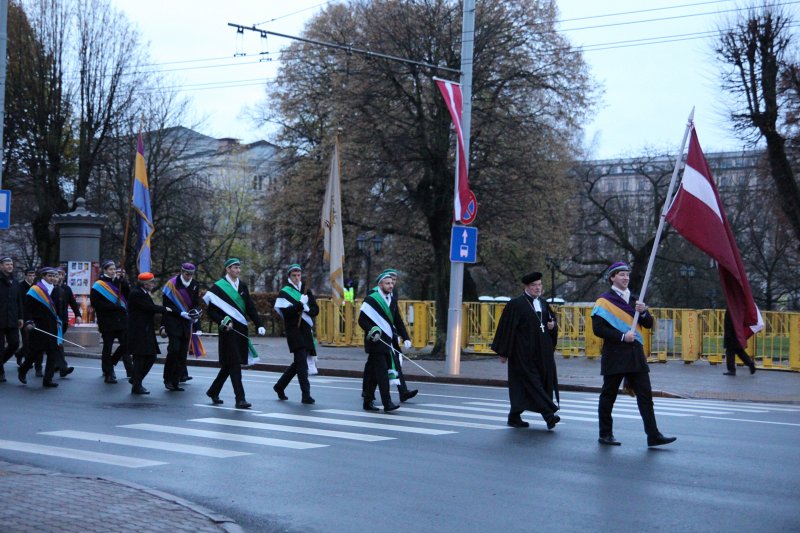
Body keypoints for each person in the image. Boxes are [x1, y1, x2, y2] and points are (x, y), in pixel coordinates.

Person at [591, 261, 676, 447]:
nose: (625, 278)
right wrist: (622, 336)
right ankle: (605, 434)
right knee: (609, 395)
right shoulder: (604, 301)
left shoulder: (635, 300)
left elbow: (648, 324)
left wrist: (644, 312)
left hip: (636, 355)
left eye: (627, 274)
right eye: (621, 274)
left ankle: (653, 435)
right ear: (612, 278)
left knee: (645, 395)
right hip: (615, 355)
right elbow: (598, 329)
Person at [490, 271, 561, 430]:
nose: (538, 288)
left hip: (542, 353)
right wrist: (504, 352)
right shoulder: (516, 304)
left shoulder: (543, 303)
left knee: (531, 385)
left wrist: (553, 326)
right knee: (533, 383)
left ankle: (514, 416)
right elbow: (506, 329)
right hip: (522, 353)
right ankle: (549, 416)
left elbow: (552, 322)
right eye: (534, 285)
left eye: (539, 285)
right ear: (526, 287)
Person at [202, 258, 265, 409]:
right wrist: (222, 322)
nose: (238, 270)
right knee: (235, 363)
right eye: (235, 267)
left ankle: (213, 391)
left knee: (229, 365)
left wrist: (259, 324)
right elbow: (211, 311)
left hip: (241, 329)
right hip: (227, 330)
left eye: (239, 267)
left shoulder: (242, 285)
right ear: (228, 269)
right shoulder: (218, 287)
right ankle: (240, 399)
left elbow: (250, 306)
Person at [357, 270, 410, 413]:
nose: (391, 285)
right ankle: (387, 403)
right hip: (375, 342)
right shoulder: (371, 299)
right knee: (381, 373)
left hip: (388, 342)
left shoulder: (392, 300)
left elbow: (397, 321)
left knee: (374, 374)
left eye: (392, 283)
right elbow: (362, 320)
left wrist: (406, 337)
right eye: (387, 283)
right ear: (380, 285)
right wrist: (372, 330)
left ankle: (367, 401)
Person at [273, 264, 319, 404]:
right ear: (289, 276)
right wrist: (299, 305)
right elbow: (286, 313)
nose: (297, 278)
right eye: (294, 275)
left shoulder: (305, 290)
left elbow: (315, 310)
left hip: (306, 331)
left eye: (299, 275)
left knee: (298, 363)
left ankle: (279, 386)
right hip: (294, 330)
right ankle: (306, 395)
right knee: (302, 365)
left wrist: (306, 308)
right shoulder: (284, 292)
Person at [18, 268, 64, 388]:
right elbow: (27, 308)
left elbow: (58, 308)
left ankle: (47, 380)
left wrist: (58, 320)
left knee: (52, 352)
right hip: (38, 325)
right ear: (43, 276)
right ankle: (23, 369)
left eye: (55, 276)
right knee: (35, 352)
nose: (53, 278)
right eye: (50, 276)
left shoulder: (57, 290)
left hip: (52, 325)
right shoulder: (35, 290)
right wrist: (28, 321)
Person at [128, 272, 172, 395]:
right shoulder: (137, 293)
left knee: (149, 357)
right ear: (144, 283)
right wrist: (164, 309)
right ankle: (136, 385)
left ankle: (136, 380)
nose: (153, 284)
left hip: (144, 330)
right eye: (151, 282)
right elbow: (148, 307)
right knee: (140, 358)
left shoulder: (142, 292)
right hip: (139, 331)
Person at [160, 263, 202, 391]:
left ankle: (176, 380)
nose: (189, 276)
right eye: (186, 274)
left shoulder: (195, 284)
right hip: (173, 321)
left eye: (191, 274)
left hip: (187, 323)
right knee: (174, 350)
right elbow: (166, 305)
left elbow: (196, 303)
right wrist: (180, 312)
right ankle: (167, 379)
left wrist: (195, 316)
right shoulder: (171, 285)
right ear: (182, 272)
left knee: (183, 353)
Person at [90, 260, 132, 383]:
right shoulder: (98, 285)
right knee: (107, 347)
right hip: (107, 321)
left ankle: (115, 363)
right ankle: (108, 372)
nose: (113, 271)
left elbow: (128, 297)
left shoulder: (119, 282)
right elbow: (96, 303)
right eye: (111, 269)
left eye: (114, 269)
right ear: (105, 270)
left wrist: (124, 284)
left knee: (126, 345)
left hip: (121, 320)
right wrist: (114, 306)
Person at [51, 268, 78, 378]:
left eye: (61, 274)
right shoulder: (48, 289)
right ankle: (62, 367)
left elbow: (72, 302)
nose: (59, 277)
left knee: (57, 344)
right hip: (50, 321)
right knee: (56, 344)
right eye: (57, 275)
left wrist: (78, 314)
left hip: (62, 321)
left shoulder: (66, 289)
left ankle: (57, 366)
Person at [0, 257, 23, 383]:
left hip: (12, 319)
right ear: (1, 266)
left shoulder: (15, 282)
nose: (10, 266)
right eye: (7, 264)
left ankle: (1, 362)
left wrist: (20, 317)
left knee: (14, 343)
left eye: (11, 264)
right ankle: (1, 373)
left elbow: (19, 301)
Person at [723, 307, 756, 376]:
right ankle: (750, 363)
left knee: (730, 351)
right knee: (739, 351)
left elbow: (728, 322)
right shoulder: (738, 307)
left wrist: (728, 334)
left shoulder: (731, 307)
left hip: (731, 332)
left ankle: (731, 369)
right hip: (737, 332)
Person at [14, 267, 36, 369]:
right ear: (26, 275)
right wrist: (20, 317)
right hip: (24, 317)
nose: (32, 277)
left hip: (34, 317)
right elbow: (19, 303)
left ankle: (20, 354)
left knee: (32, 341)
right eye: (30, 275)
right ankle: (27, 361)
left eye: (33, 275)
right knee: (26, 340)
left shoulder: (35, 287)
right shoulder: (20, 286)